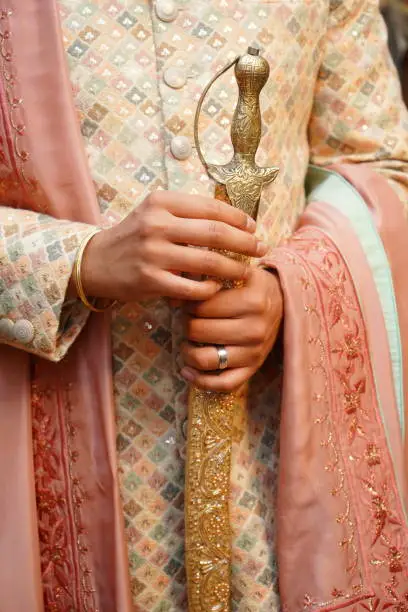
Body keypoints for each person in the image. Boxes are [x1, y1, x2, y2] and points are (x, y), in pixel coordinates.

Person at [1, 0, 408, 610]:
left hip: (272, 459)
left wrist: (288, 290)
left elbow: (381, 170)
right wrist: (78, 261)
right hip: (48, 459)